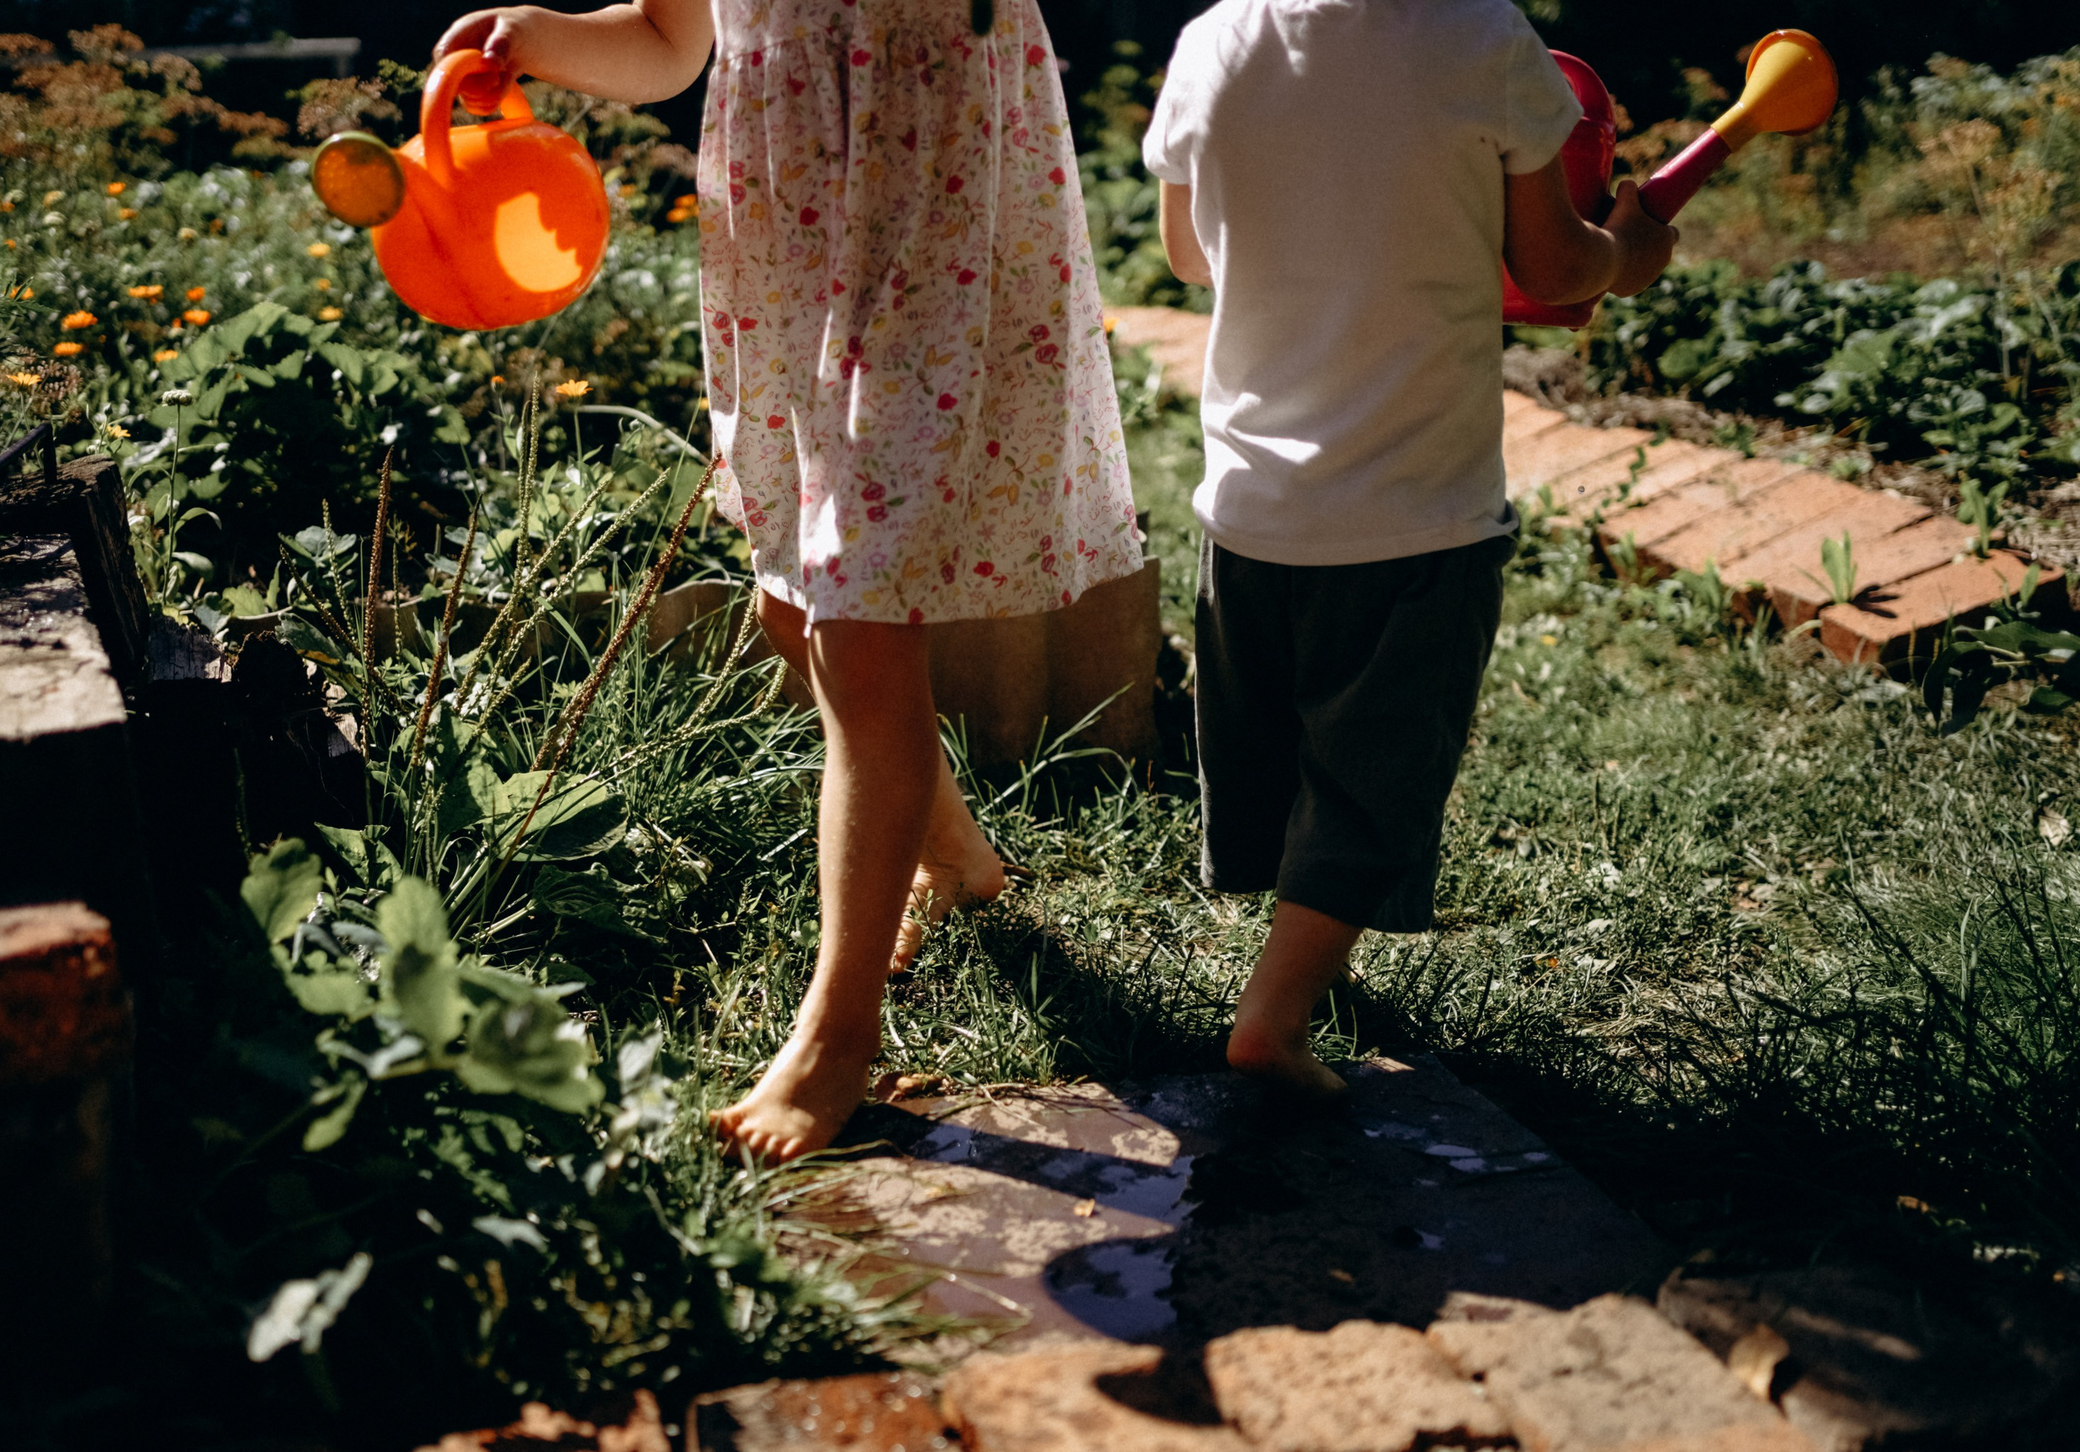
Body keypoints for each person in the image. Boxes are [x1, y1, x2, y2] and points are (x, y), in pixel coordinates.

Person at [433, 0, 1141, 1156]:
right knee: (790, 606)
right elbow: (670, 40)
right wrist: (545, 40)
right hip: (792, 243)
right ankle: (957, 861)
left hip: (933, 226)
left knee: (856, 632)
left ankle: (836, 1038)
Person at [1145, 0, 1675, 1097]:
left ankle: (1299, 953)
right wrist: (1624, 252)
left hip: (1249, 504)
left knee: (1280, 744)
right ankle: (1274, 1022)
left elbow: (1187, 255)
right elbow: (1549, 269)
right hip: (1413, 508)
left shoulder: (1213, 40)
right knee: (1372, 770)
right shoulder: (1480, 41)